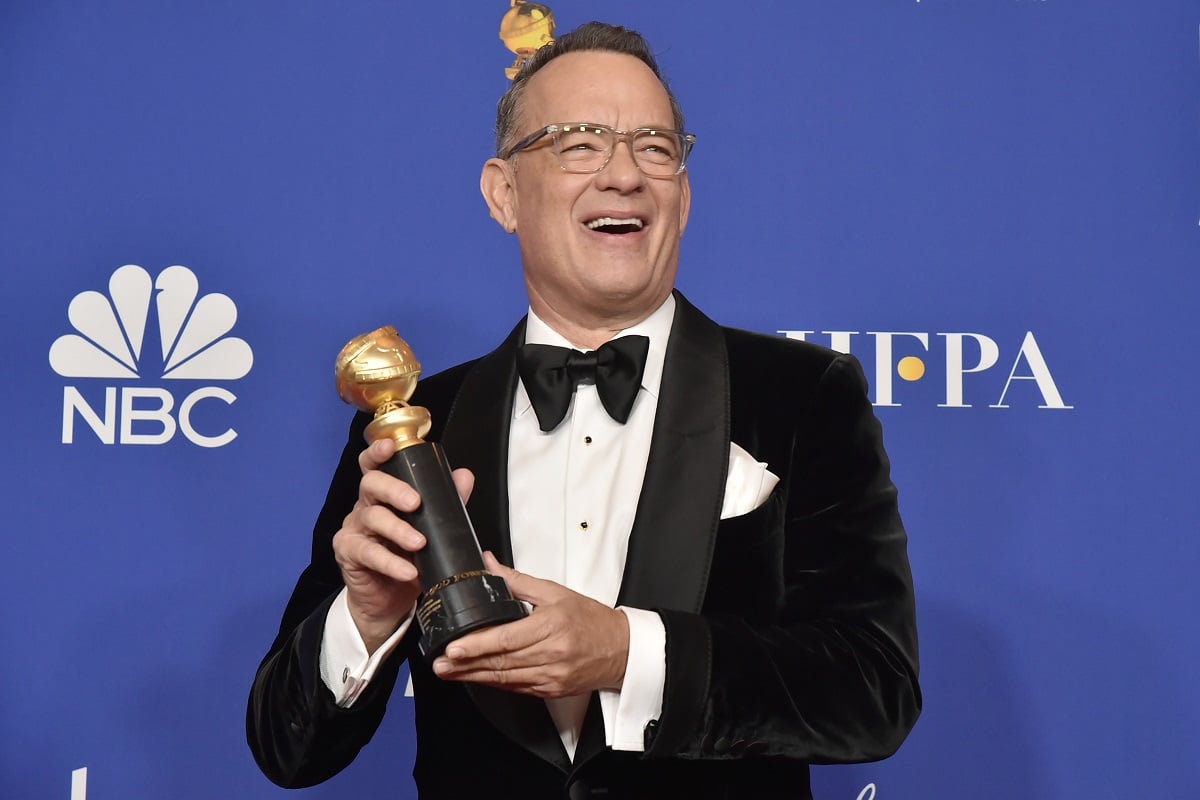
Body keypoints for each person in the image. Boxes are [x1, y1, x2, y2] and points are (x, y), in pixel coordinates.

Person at [247, 21, 920, 800]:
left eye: (655, 148)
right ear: (505, 193)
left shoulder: (803, 393)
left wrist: (626, 652)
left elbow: (875, 692)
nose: (624, 175)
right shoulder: (418, 420)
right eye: (579, 143)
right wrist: (366, 615)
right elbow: (285, 748)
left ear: (684, 194)